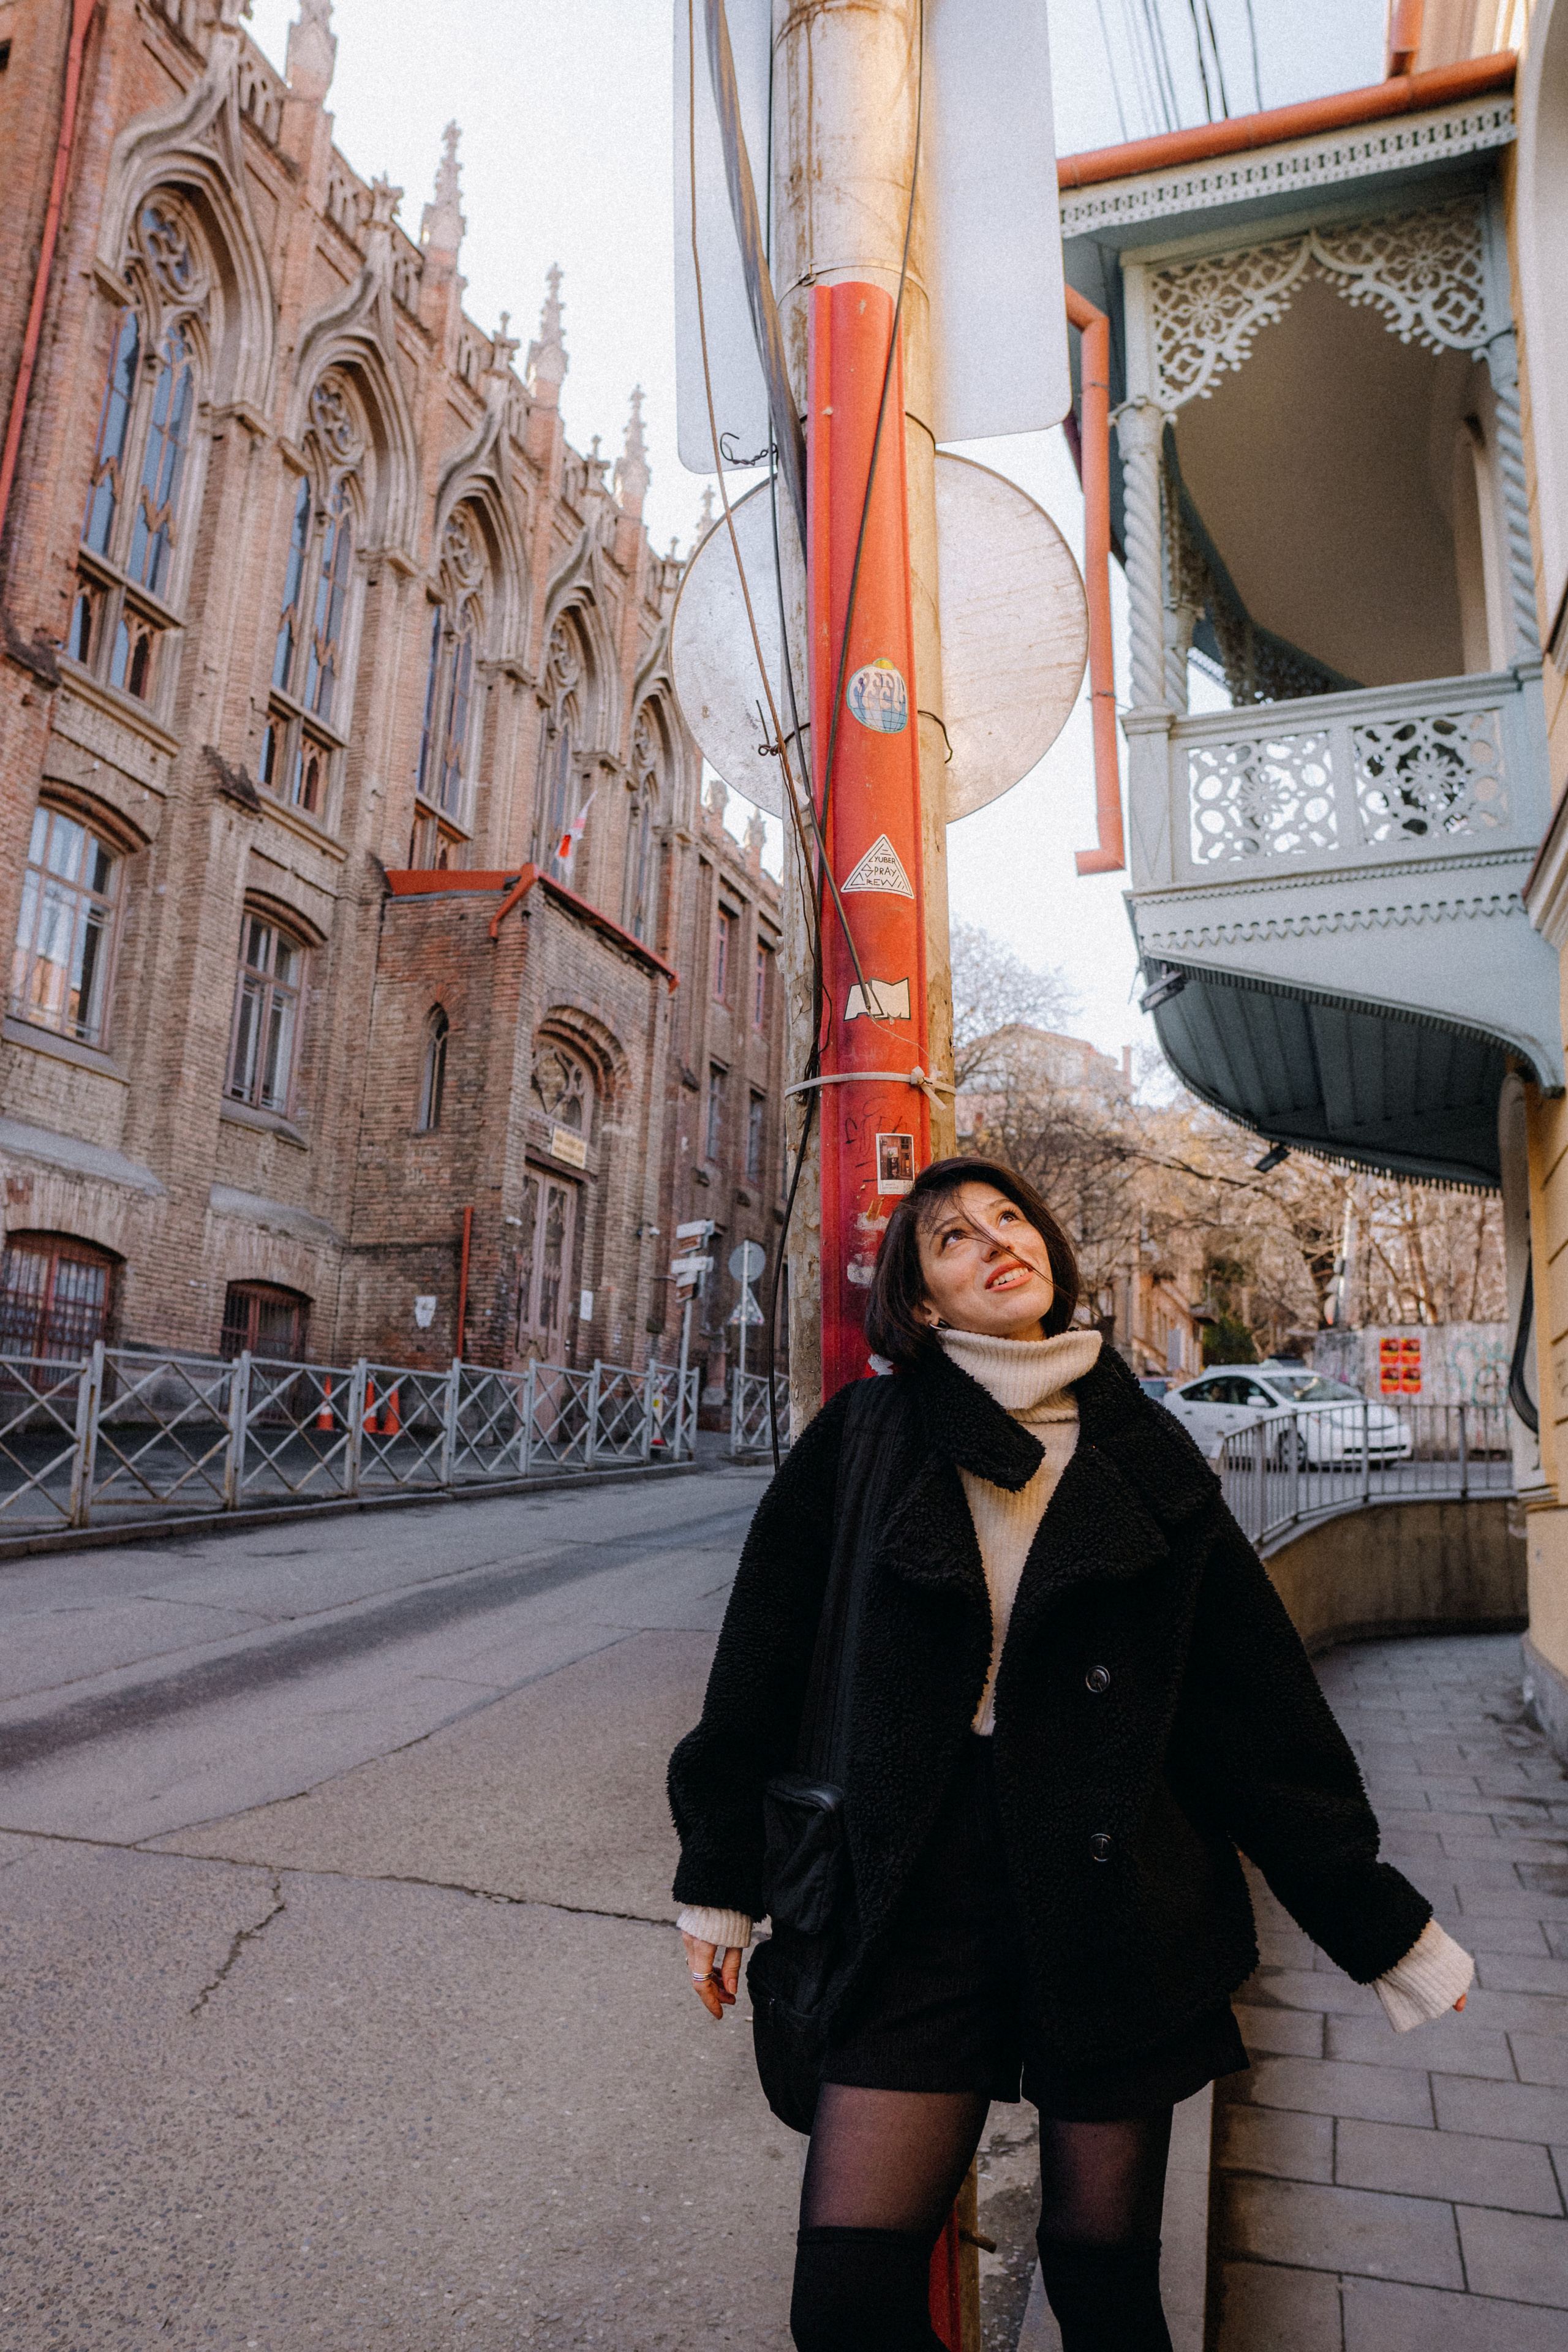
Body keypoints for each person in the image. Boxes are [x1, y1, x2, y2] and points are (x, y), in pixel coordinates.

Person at [668, 1159, 1473, 2351]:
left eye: (1010, 1218)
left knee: (1103, 2290)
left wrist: (1379, 1926)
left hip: (1113, 1903)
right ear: (923, 1302)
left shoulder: (1143, 1453)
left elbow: (1252, 1716)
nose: (996, 1239)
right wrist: (720, 1883)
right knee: (843, 2301)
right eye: (950, 1237)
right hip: (911, 1899)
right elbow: (760, 1668)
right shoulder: (868, 1438)